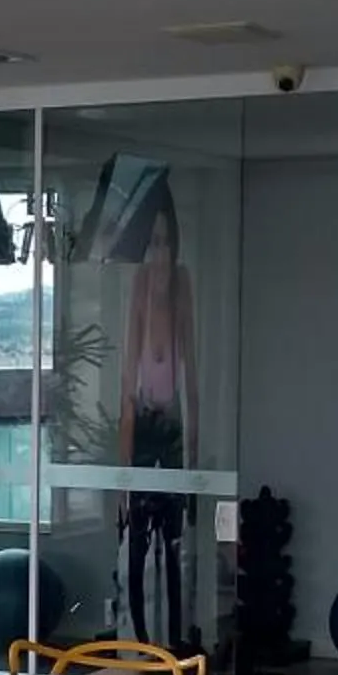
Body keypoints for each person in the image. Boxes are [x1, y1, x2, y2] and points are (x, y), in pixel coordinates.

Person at [118, 179, 199, 647]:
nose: (160, 254)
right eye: (152, 244)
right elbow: (128, 384)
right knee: (136, 544)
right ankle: (141, 643)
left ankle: (174, 642)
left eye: (166, 244)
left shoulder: (182, 284)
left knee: (173, 543)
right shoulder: (140, 285)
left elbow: (192, 377)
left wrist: (193, 459)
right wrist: (121, 479)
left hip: (171, 428)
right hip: (144, 426)